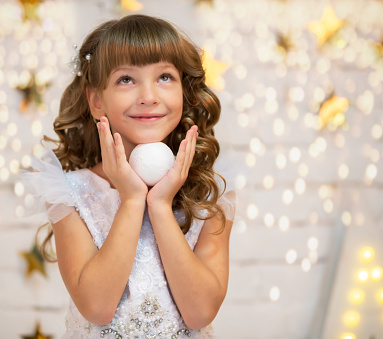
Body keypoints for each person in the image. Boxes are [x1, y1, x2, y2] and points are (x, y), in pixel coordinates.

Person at [23, 14, 235, 338]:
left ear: (184, 90)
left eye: (164, 77)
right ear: (96, 100)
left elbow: (200, 312)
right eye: (126, 80)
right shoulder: (69, 194)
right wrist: (133, 199)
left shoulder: (209, 197)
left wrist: (161, 205)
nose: (148, 96)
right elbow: (96, 306)